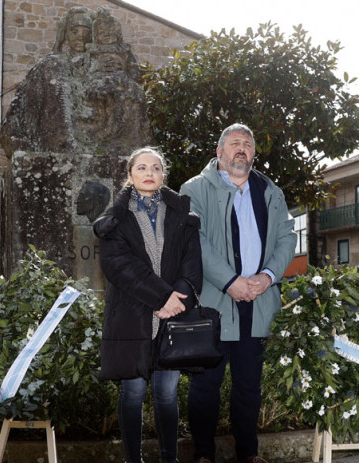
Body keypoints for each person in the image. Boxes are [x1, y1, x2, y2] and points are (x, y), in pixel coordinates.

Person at [180, 123, 296, 463]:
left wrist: (268, 276)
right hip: (213, 304)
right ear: (220, 152)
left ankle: (249, 453)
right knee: (205, 387)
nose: (241, 148)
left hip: (257, 302)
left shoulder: (270, 191)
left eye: (247, 143)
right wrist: (231, 281)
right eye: (234, 143)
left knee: (248, 387)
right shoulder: (195, 188)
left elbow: (287, 238)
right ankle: (204, 454)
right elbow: (194, 240)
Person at [94, 147, 202, 463]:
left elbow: (192, 265)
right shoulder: (114, 220)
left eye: (155, 167)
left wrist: (176, 300)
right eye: (141, 168)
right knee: (133, 395)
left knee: (167, 396)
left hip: (173, 317)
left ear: (163, 174)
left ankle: (170, 459)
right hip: (130, 318)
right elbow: (118, 265)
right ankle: (133, 459)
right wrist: (161, 297)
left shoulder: (184, 216)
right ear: (130, 176)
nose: (149, 172)